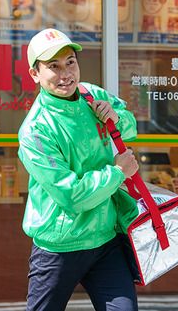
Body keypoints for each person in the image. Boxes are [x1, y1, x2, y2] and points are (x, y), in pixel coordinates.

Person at [17, 28, 140, 311]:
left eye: (70, 62)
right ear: (35, 74)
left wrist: (116, 117)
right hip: (59, 247)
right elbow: (71, 195)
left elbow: (131, 127)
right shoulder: (35, 131)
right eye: (53, 67)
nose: (65, 74)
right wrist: (118, 173)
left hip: (105, 238)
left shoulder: (91, 94)